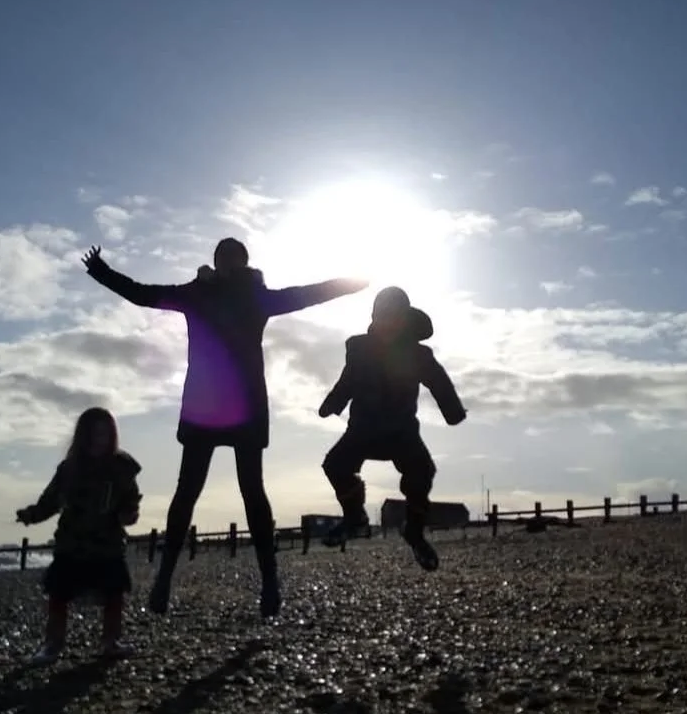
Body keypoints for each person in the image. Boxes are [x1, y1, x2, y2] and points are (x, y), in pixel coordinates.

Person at [82, 237, 367, 618]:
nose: (228, 264)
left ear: (241, 263)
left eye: (233, 259)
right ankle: (166, 580)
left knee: (247, 491)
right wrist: (102, 273)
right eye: (224, 259)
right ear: (217, 263)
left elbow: (308, 294)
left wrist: (354, 281)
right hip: (212, 407)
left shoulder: (243, 296)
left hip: (237, 408)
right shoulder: (201, 294)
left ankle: (268, 583)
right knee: (191, 492)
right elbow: (143, 294)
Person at [317, 286, 467, 571]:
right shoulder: (358, 349)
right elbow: (347, 381)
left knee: (422, 472)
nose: (386, 323)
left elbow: (439, 382)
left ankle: (415, 531)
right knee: (335, 465)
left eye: (393, 317)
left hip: (402, 432)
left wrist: (453, 412)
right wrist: (332, 404)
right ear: (373, 318)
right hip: (363, 428)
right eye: (380, 316)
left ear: (404, 320)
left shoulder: (418, 355)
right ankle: (355, 518)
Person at [16, 406, 142, 664]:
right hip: (72, 542)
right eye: (94, 434)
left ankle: (111, 641)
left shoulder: (122, 467)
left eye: (105, 434)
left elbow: (131, 501)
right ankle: (53, 644)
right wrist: (31, 515)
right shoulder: (69, 468)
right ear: (83, 436)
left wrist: (128, 514)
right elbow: (50, 501)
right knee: (59, 594)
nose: (100, 440)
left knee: (113, 593)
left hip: (107, 543)